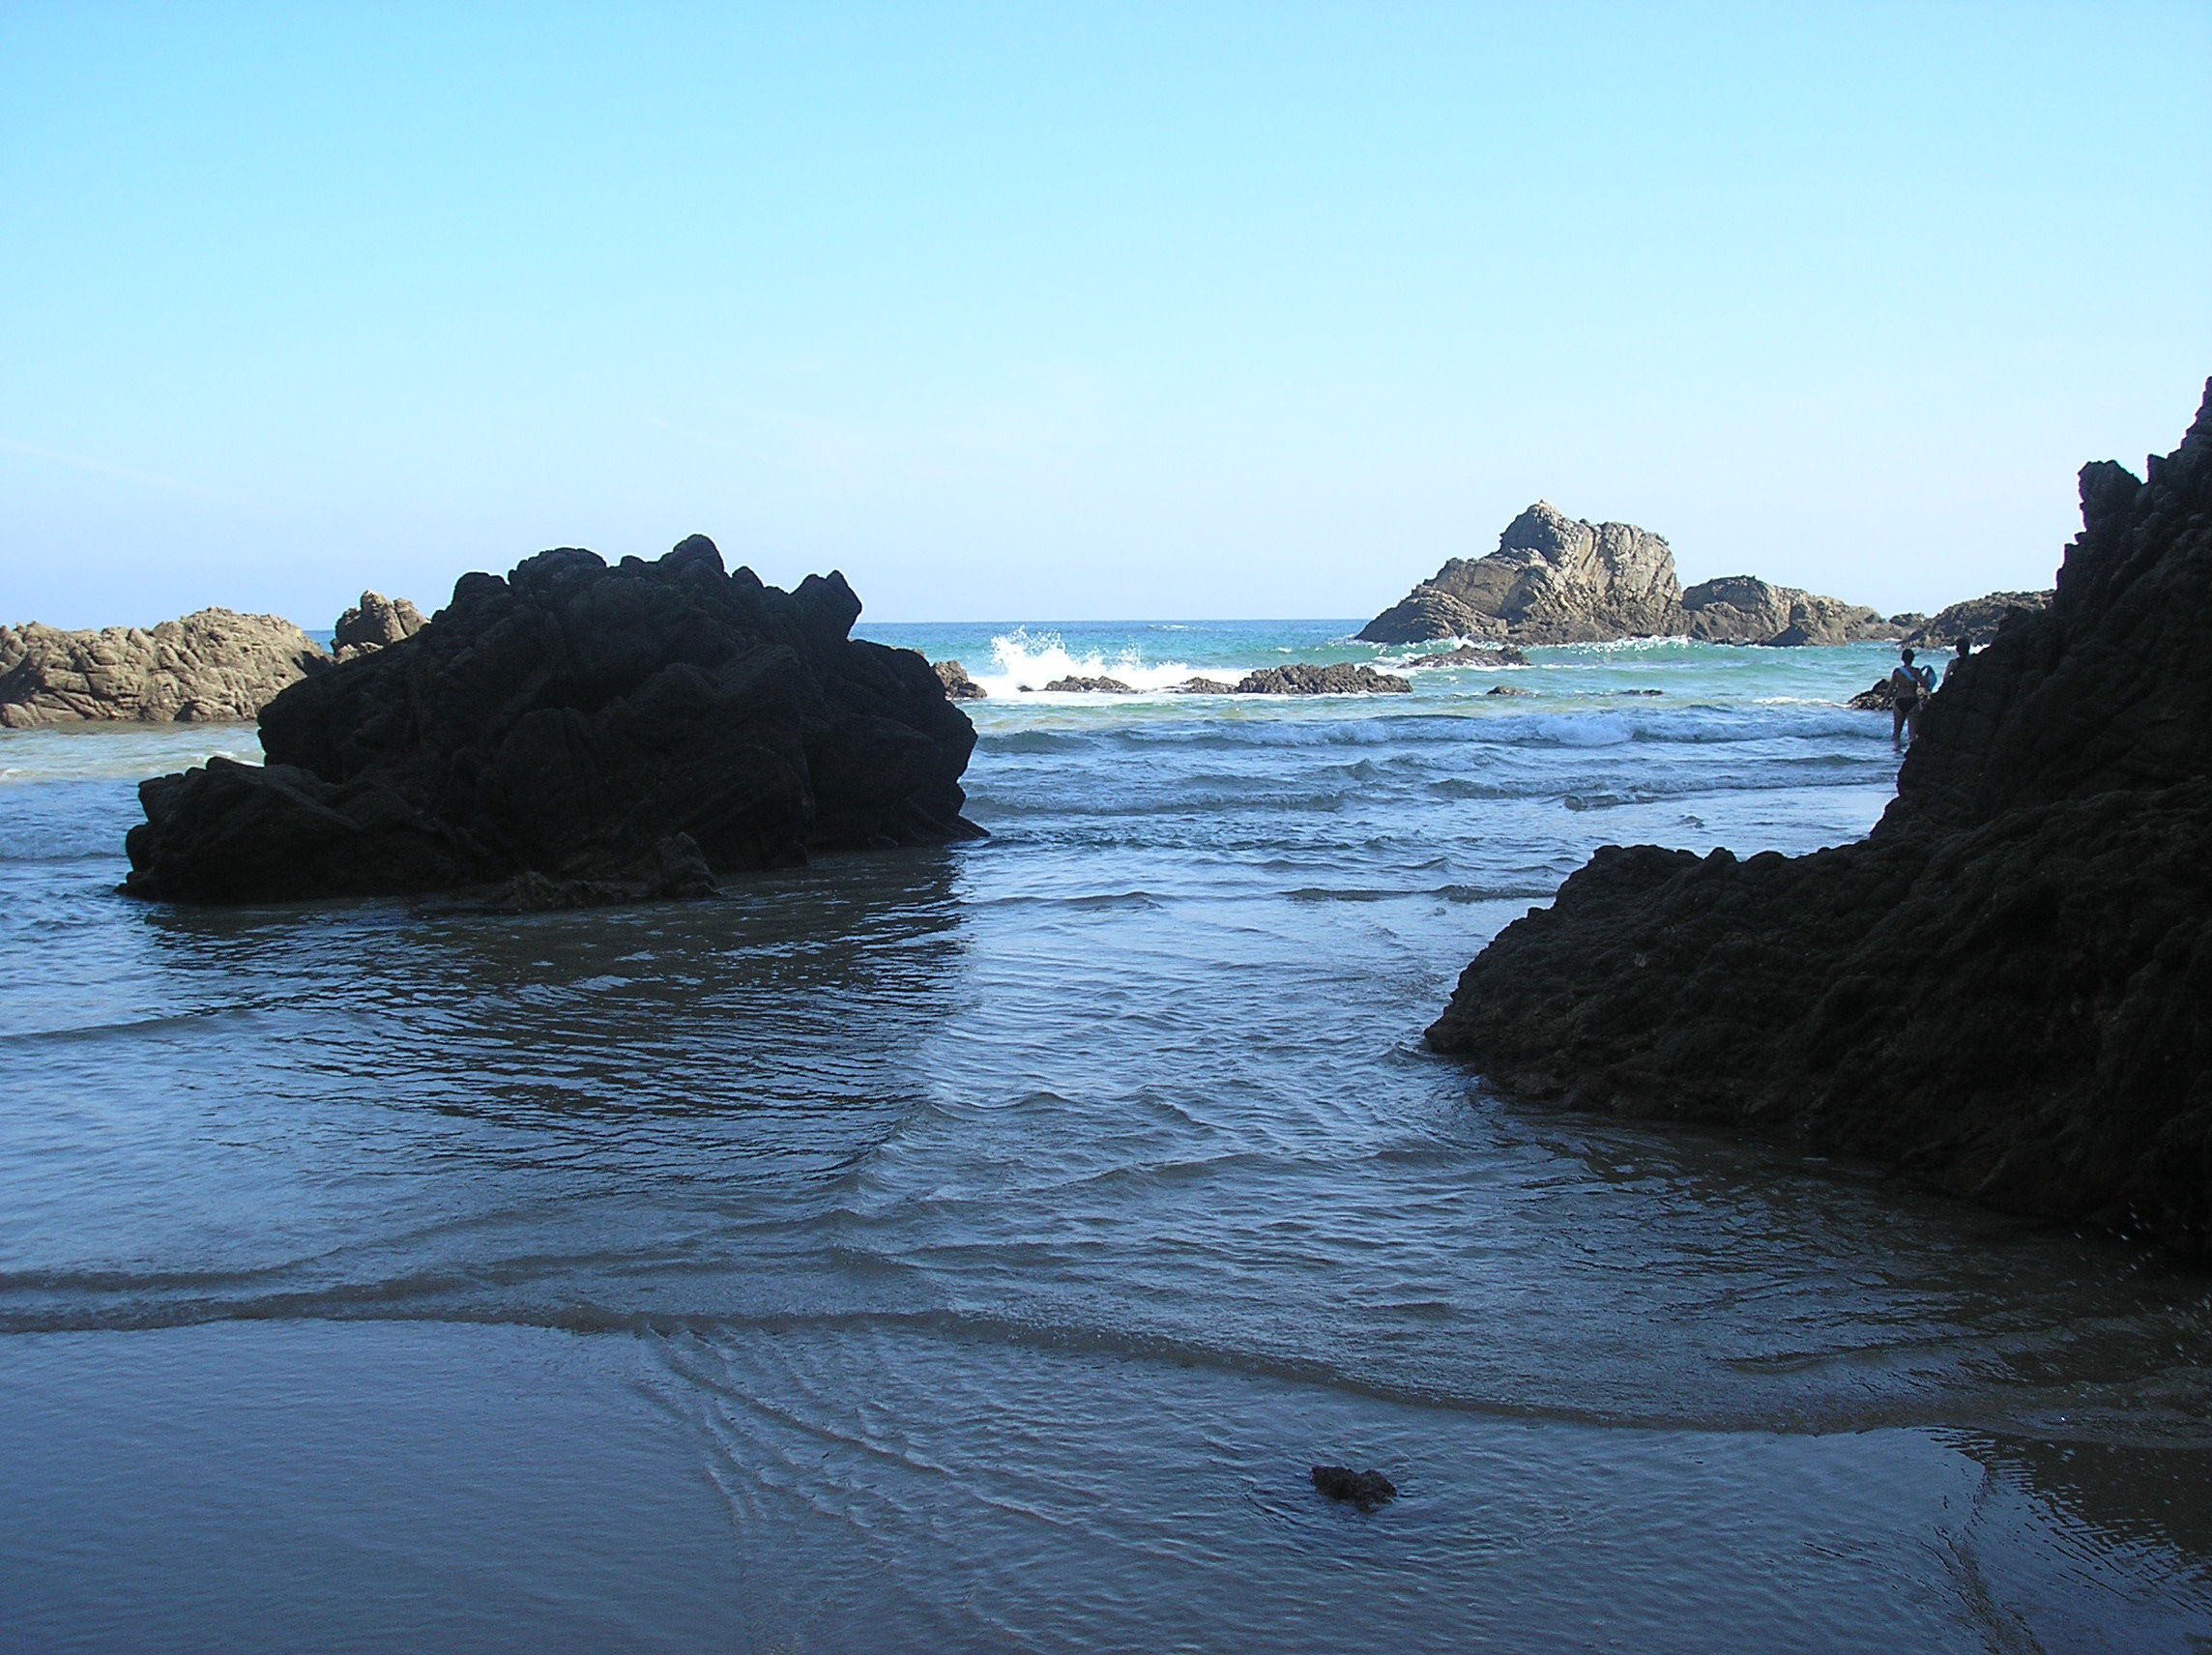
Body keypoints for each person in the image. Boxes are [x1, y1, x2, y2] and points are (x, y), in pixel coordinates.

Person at [1888, 647, 1935, 743]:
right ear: (1913, 659)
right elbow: (1925, 684)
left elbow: (1890, 688)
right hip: (1913, 701)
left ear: (1902, 659)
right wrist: (1927, 674)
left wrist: (1884, 701)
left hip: (1899, 701)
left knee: (1896, 733)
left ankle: (1894, 755)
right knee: (1912, 735)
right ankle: (1911, 756)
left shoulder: (1897, 672)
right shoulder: (1916, 671)